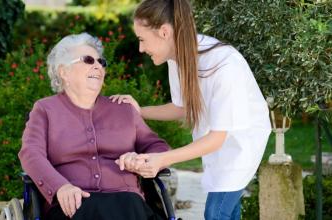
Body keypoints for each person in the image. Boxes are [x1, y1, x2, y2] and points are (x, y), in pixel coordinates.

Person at [110, 0, 272, 219]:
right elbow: (182, 107)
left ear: (164, 32)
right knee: (226, 209)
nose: (141, 48)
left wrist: (162, 159)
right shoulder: (176, 58)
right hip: (218, 141)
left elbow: (217, 139)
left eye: (142, 39)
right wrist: (139, 111)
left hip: (242, 142)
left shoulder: (225, 67)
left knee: (215, 212)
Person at [18, 32, 169, 220]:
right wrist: (60, 186)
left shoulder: (123, 109)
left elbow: (157, 146)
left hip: (126, 203)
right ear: (63, 71)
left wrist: (143, 160)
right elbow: (31, 153)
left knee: (129, 204)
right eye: (88, 60)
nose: (98, 66)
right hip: (73, 205)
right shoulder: (45, 110)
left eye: (101, 62)